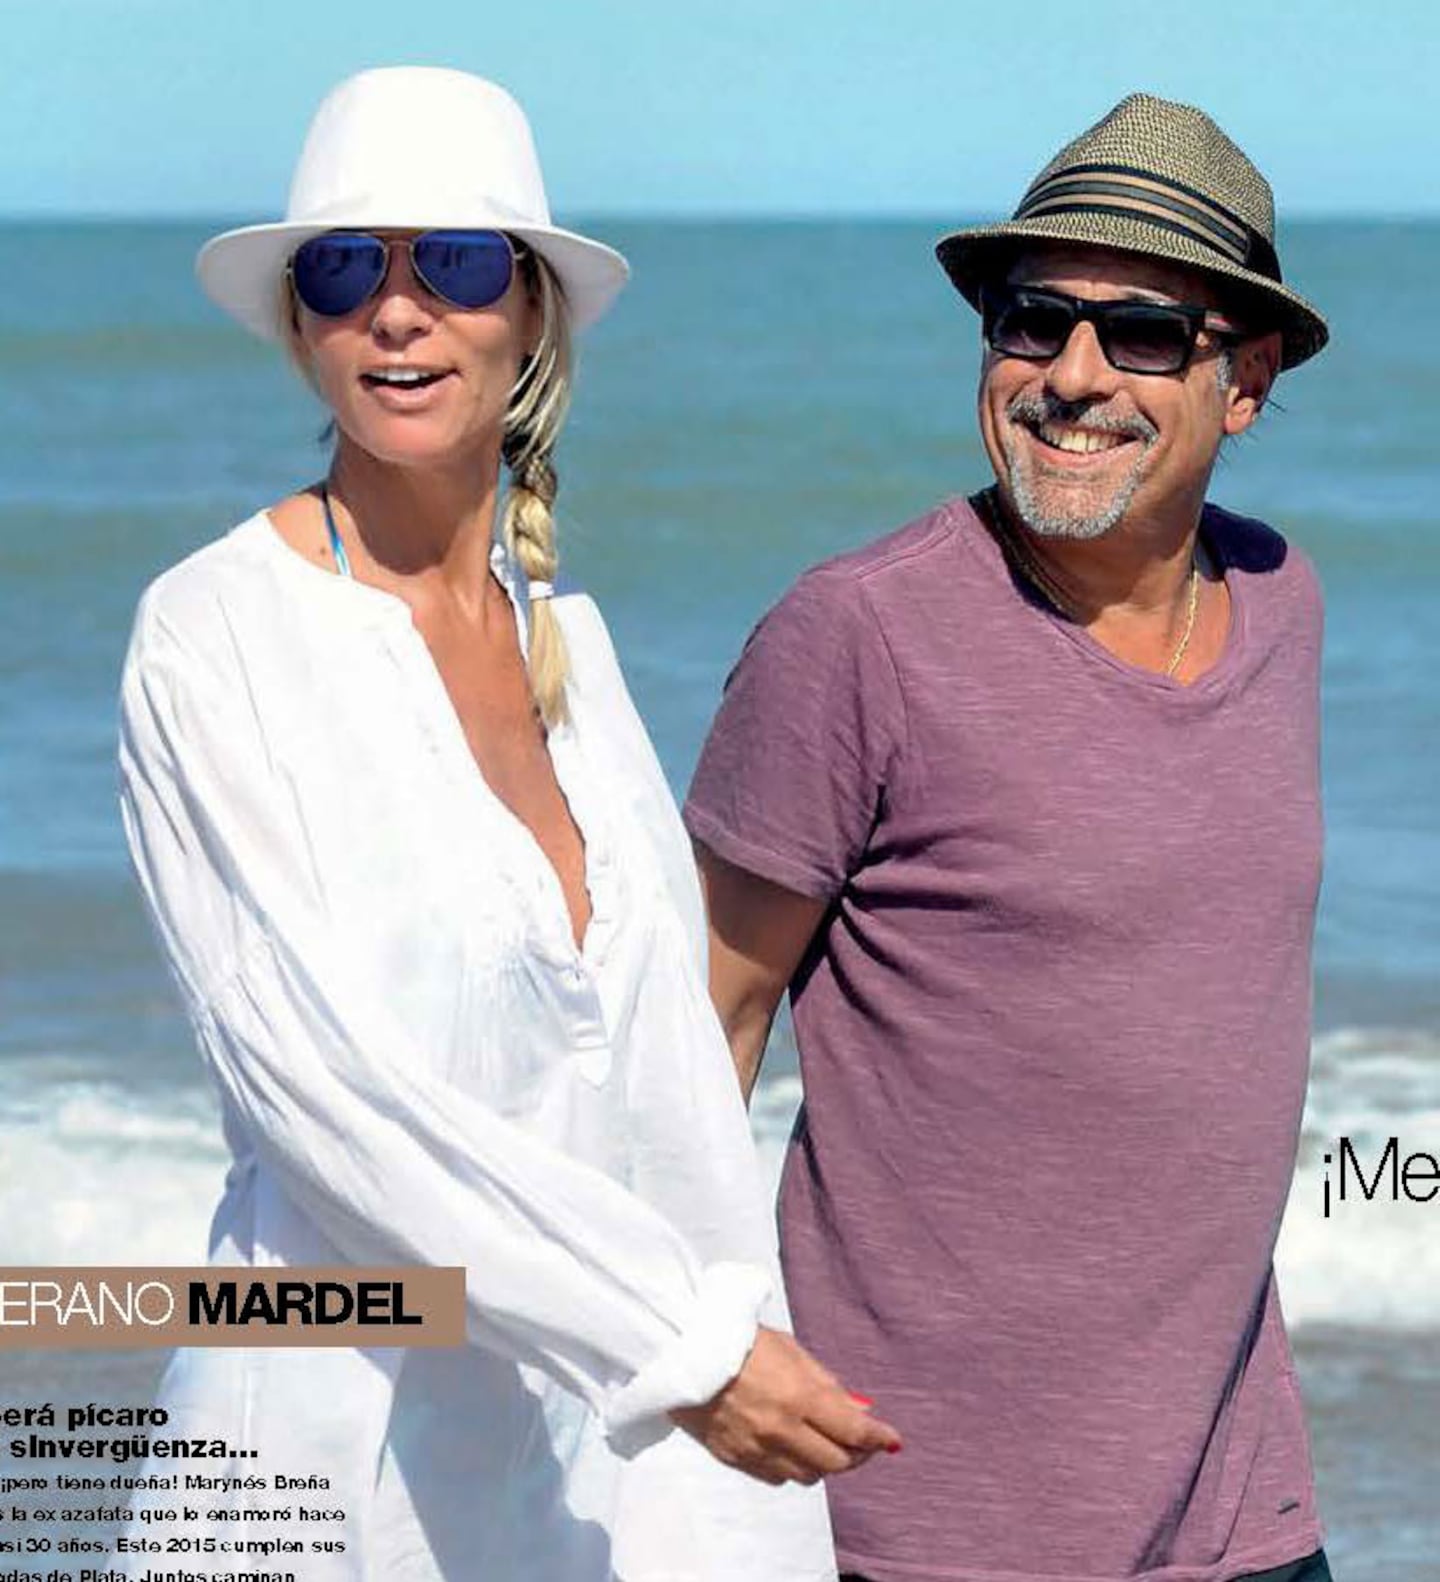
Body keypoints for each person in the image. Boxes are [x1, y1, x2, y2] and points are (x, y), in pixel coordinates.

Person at [117, 66, 897, 1582]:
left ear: (530, 311)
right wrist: (677, 1345)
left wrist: (737, 1504)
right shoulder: (213, 635)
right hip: (319, 1477)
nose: (398, 312)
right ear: (301, 323)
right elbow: (323, 1094)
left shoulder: (578, 656)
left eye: (455, 263)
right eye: (348, 269)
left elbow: (667, 1094)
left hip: (571, 1483)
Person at [684, 94, 1334, 1582]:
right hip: (923, 1529)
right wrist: (701, 1345)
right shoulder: (857, 636)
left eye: (1147, 334)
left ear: (1247, 378)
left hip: (1245, 1521)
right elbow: (694, 1032)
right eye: (1033, 321)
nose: (1074, 376)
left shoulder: (1283, 601)